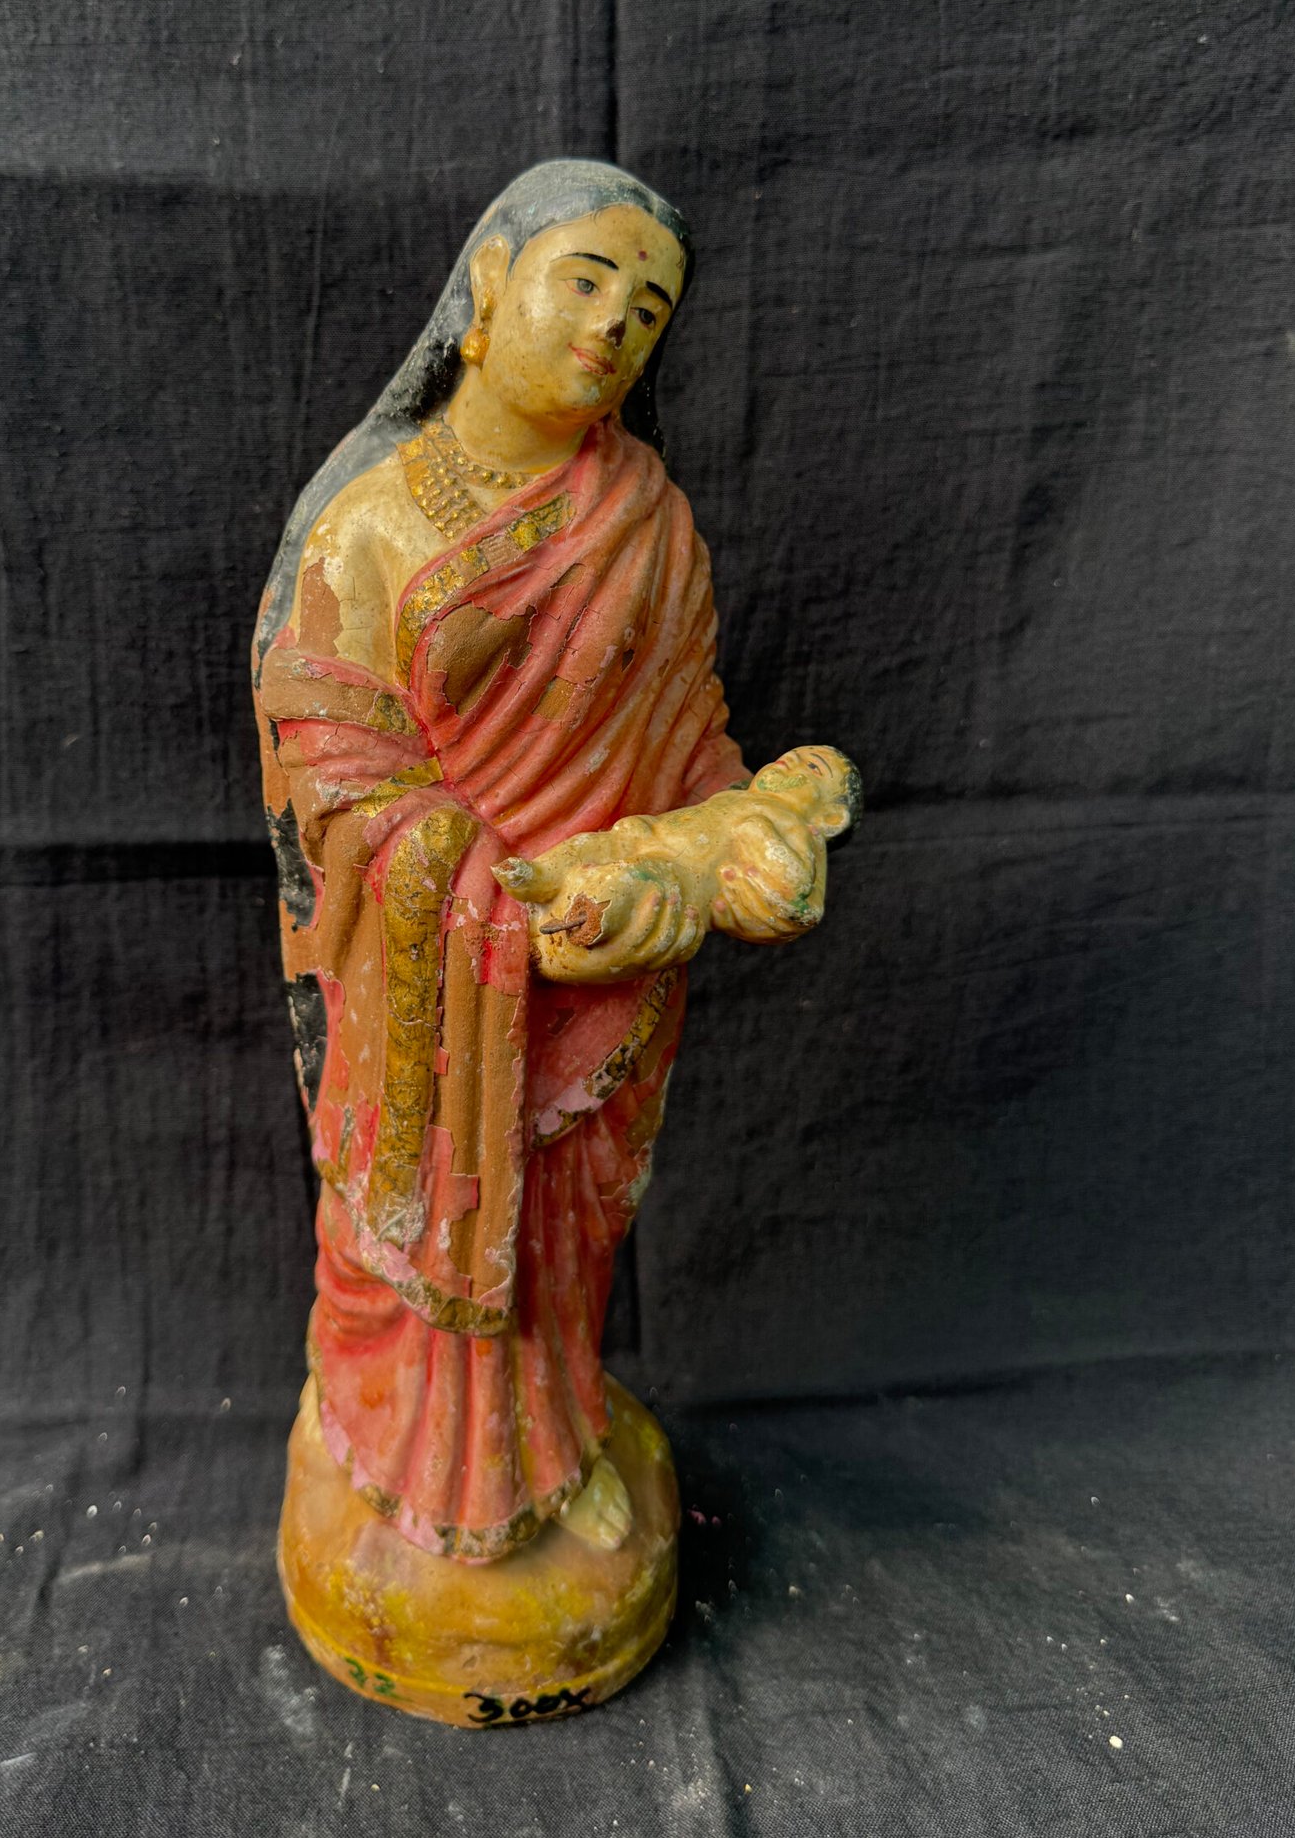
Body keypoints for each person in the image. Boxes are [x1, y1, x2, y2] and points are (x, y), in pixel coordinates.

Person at [254, 160, 856, 1562]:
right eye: (583, 281)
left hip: (610, 968)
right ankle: (378, 1444)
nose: (610, 327)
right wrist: (495, 898)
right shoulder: (373, 523)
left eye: (647, 313)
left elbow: (688, 737)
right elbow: (329, 764)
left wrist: (739, 836)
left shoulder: (649, 522)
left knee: (565, 1240)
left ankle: (552, 1437)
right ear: (486, 287)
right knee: (419, 1219)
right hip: (438, 976)